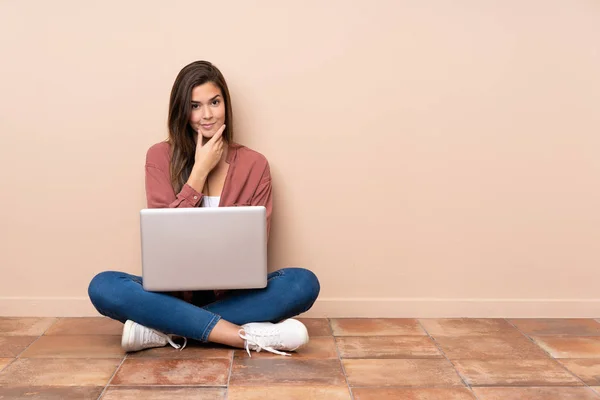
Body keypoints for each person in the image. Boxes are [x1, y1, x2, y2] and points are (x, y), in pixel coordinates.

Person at [87, 60, 320, 356]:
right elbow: (164, 242)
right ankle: (242, 336)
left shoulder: (254, 164)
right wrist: (198, 174)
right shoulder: (159, 157)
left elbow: (254, 245)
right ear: (182, 111)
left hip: (235, 296)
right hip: (170, 294)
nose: (206, 115)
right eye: (195, 106)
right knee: (103, 286)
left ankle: (164, 327)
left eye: (214, 102)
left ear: (226, 104)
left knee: (302, 283)